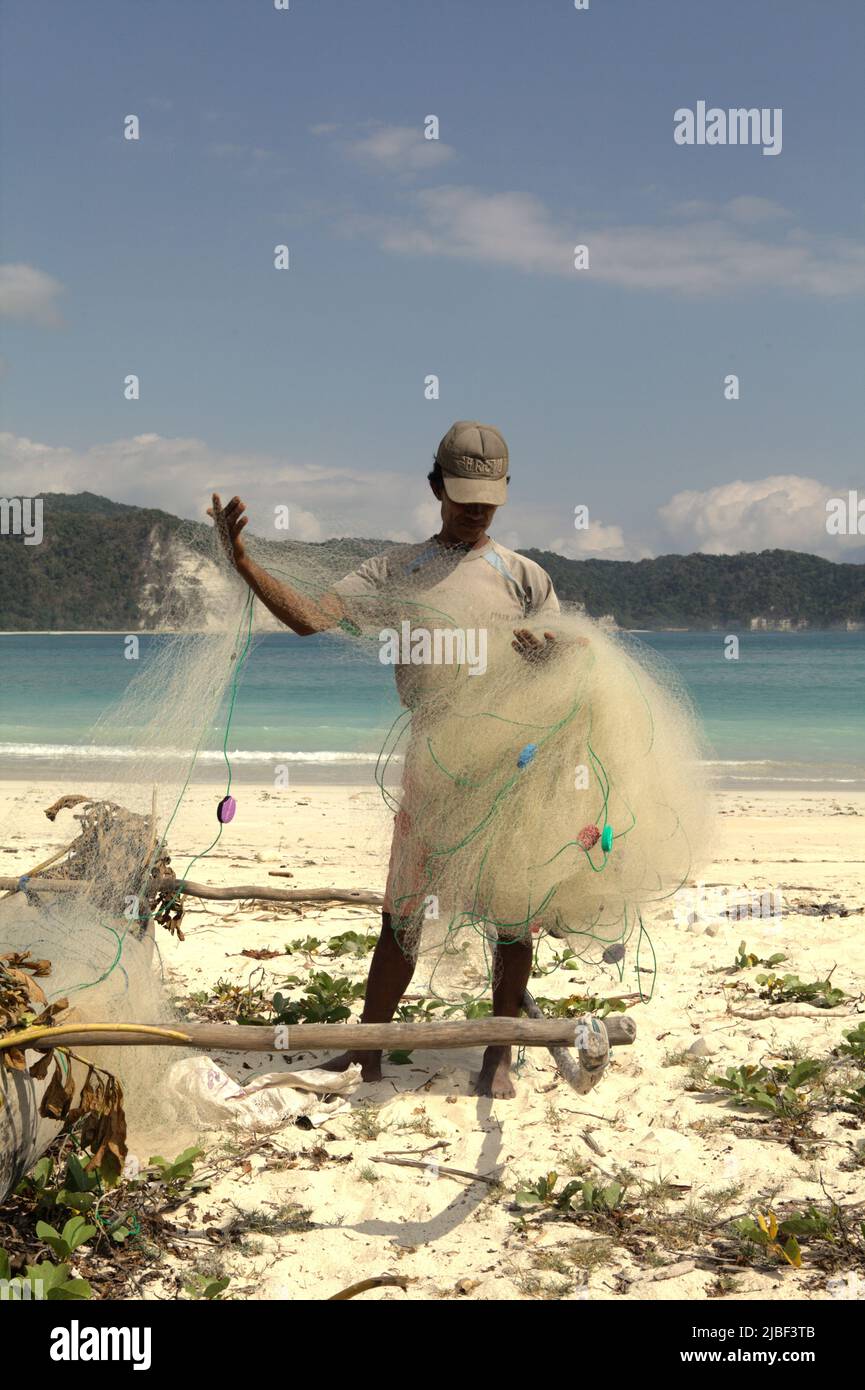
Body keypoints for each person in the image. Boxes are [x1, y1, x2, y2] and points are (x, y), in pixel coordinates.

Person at [209, 420, 560, 1097]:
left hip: (510, 764)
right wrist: (245, 564)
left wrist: (546, 657)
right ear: (434, 487)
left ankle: (499, 1052)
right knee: (402, 915)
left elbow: (562, 666)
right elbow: (312, 616)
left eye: (488, 495)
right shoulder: (396, 571)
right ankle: (367, 1052)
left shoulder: (524, 577)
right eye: (461, 494)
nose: (476, 506)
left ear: (506, 492)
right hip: (433, 755)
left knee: (512, 917)